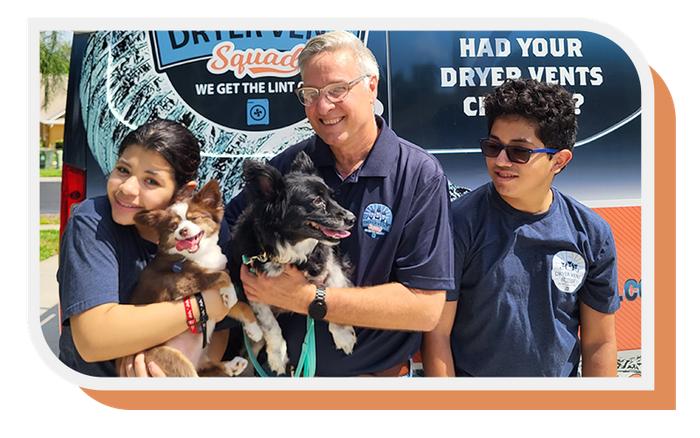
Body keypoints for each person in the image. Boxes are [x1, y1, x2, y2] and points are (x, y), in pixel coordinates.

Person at [223, 30, 454, 377]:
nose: (323, 106)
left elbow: (424, 308)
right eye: (310, 94)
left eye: (337, 90)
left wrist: (308, 299)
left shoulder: (417, 175)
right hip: (280, 381)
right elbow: (228, 232)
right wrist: (250, 275)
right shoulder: (292, 166)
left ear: (372, 85)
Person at [421, 78, 619, 377]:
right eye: (493, 146)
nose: (501, 160)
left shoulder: (592, 234)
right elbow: (437, 335)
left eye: (519, 152)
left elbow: (598, 343)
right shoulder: (458, 222)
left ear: (559, 160)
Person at [57, 118, 232, 377]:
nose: (127, 188)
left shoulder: (206, 228)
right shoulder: (92, 222)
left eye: (151, 181)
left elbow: (219, 329)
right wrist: (200, 305)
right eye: (123, 170)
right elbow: (94, 338)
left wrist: (183, 371)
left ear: (183, 192)